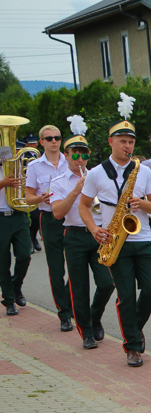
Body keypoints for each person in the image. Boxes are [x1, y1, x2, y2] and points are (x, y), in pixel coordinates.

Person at [78, 114, 151, 368]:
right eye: (123, 141)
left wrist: (143, 203)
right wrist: (93, 228)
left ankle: (133, 328)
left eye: (131, 142)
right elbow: (83, 206)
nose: (127, 146)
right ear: (111, 142)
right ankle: (133, 347)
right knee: (126, 296)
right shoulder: (95, 173)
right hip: (115, 241)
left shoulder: (143, 171)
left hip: (144, 239)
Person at [49, 125, 114, 349]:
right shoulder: (58, 183)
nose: (80, 159)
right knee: (79, 286)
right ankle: (86, 331)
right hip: (74, 235)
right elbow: (57, 213)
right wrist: (76, 191)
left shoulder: (97, 176)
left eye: (84, 154)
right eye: (75, 154)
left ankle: (94, 317)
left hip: (98, 234)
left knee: (107, 283)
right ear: (66, 155)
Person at [24, 124, 72, 332]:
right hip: (49, 217)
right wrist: (40, 198)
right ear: (41, 142)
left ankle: (73, 304)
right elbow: (28, 198)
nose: (54, 141)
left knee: (77, 265)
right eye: (49, 138)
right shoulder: (35, 166)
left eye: (57, 137)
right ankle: (64, 312)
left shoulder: (71, 160)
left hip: (71, 217)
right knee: (56, 268)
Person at [0, 160, 30, 316]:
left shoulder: (16, 165)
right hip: (0, 217)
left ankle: (16, 285)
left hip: (18, 214)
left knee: (25, 254)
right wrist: (3, 183)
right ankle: (9, 299)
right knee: (3, 262)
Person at [23, 134, 42, 253]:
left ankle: (33, 236)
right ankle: (28, 240)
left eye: (34, 143)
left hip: (39, 191)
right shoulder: (21, 156)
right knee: (26, 217)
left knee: (36, 218)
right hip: (25, 188)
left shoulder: (42, 155)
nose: (32, 145)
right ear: (26, 144)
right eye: (30, 143)